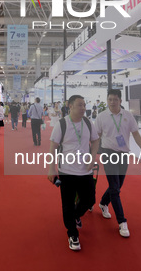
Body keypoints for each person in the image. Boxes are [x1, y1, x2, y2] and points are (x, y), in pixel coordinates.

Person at [47, 95, 100, 251]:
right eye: (79, 105)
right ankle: (72, 234)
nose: (83, 108)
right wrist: (51, 168)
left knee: (89, 200)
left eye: (84, 105)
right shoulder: (62, 124)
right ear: (70, 106)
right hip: (67, 171)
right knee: (67, 204)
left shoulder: (88, 123)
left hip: (86, 170)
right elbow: (53, 146)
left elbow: (96, 140)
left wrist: (93, 157)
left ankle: (75, 215)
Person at [95, 89, 141, 238]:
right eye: (110, 99)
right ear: (107, 100)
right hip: (108, 152)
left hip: (124, 153)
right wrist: (90, 154)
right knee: (115, 187)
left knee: (118, 185)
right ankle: (122, 222)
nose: (112, 102)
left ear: (120, 100)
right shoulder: (101, 117)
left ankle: (103, 203)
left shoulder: (127, 116)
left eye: (115, 99)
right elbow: (96, 137)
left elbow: (136, 134)